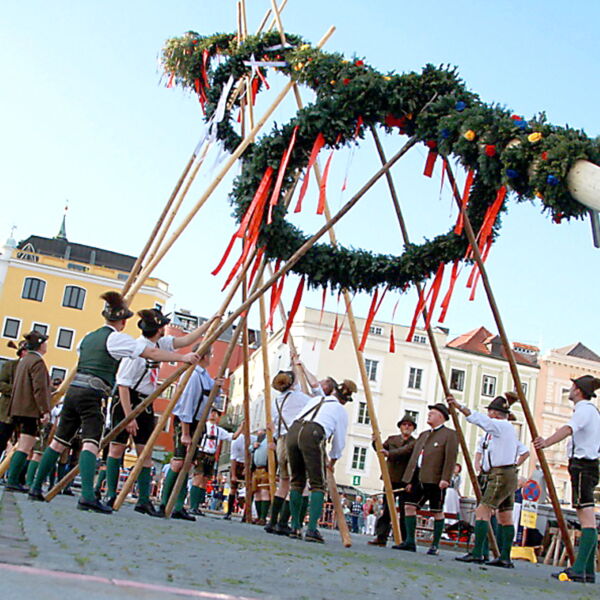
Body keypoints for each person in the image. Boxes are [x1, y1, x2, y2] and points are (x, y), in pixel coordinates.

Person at [28, 291, 199, 513]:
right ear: (123, 321)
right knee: (91, 442)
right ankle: (88, 496)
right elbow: (151, 354)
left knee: (59, 441)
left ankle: (34, 488)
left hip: (74, 391)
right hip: (93, 392)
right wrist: (182, 358)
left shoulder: (87, 337)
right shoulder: (117, 338)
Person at [103, 308, 217, 515]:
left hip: (146, 401)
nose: (166, 329)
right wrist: (129, 417)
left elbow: (184, 341)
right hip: (127, 400)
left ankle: (144, 500)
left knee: (144, 452)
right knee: (117, 449)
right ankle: (110, 493)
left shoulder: (159, 344)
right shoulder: (137, 350)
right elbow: (123, 385)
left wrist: (209, 323)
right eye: (163, 326)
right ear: (158, 329)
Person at [534, 375, 600, 584]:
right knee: (586, 514)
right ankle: (587, 570)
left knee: (586, 517)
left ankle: (579, 569)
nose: (570, 390)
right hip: (588, 464)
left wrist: (546, 442)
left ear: (579, 390)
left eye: (572, 387)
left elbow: (568, 429)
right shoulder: (593, 412)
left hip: (583, 465)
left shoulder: (584, 410)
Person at [449, 393, 526, 568]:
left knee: (482, 511)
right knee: (505, 516)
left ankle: (478, 553)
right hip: (504, 474)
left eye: (490, 412)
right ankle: (504, 556)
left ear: (495, 414)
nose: (489, 416)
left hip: (500, 475)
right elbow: (523, 451)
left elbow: (481, 420)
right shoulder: (503, 432)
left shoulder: (501, 426)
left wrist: (461, 407)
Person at [158, 347, 226, 520]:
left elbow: (214, 396)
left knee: (187, 465)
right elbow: (186, 406)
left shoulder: (203, 375)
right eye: (210, 354)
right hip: (186, 422)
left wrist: (217, 386)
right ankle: (164, 503)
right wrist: (185, 433)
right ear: (203, 356)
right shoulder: (193, 376)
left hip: (197, 423)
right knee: (179, 462)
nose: (211, 357)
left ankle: (179, 505)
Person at [286, 378, 356, 543]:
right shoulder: (340, 410)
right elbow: (339, 441)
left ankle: (295, 526)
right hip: (313, 433)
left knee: (296, 481)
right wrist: (333, 461)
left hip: (293, 431)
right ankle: (311, 529)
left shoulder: (317, 400)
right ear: (345, 400)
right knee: (318, 484)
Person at [395, 403, 458, 555]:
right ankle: (410, 541)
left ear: (441, 417)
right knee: (409, 507)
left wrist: (446, 478)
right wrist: (408, 479)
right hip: (418, 477)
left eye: (433, 413)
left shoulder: (449, 435)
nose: (429, 415)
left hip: (435, 480)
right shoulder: (424, 435)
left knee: (436, 511)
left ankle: (435, 545)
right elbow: (412, 454)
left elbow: (450, 458)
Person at [4, 332, 51, 492]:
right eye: (44, 342)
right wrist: (44, 410)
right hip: (29, 409)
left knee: (23, 444)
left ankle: (13, 479)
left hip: (18, 408)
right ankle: (13, 479)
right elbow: (39, 389)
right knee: (26, 445)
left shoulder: (25, 361)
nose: (46, 345)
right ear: (40, 345)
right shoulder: (37, 362)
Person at [265, 369, 309, 535]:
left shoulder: (276, 400)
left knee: (283, 482)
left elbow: (273, 425)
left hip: (281, 441)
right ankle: (284, 523)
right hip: (294, 440)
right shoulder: (301, 398)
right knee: (296, 482)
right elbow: (316, 404)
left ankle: (272, 521)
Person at [368, 412, 417, 546]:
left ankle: (403, 539)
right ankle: (381, 537)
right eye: (404, 424)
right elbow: (381, 450)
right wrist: (375, 441)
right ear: (400, 427)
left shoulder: (414, 443)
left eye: (409, 425)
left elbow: (407, 454)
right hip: (390, 479)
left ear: (413, 428)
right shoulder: (392, 439)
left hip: (404, 481)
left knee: (404, 512)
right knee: (387, 510)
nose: (407, 427)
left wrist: (411, 482)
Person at [188, 408, 242, 516]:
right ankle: (192, 506)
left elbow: (233, 437)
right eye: (211, 413)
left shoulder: (219, 430)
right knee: (198, 478)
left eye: (215, 414)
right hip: (202, 453)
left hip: (211, 455)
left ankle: (197, 506)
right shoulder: (203, 426)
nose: (213, 415)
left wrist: (241, 427)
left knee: (204, 480)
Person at [0, 340, 28, 456]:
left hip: (23, 416)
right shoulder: (10, 366)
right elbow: (1, 384)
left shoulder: (35, 369)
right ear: (23, 352)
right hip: (5, 414)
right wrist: (17, 391)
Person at [224, 430, 255, 520]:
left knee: (249, 489)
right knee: (233, 488)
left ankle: (246, 514)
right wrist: (233, 475)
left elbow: (253, 455)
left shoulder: (254, 438)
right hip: (238, 464)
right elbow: (233, 458)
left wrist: (248, 467)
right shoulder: (237, 440)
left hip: (248, 464)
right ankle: (228, 512)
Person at [251, 429, 271, 525]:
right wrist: (253, 446)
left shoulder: (269, 440)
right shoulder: (257, 441)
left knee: (264, 491)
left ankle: (263, 517)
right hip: (256, 469)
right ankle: (259, 516)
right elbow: (250, 449)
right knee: (257, 493)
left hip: (265, 469)